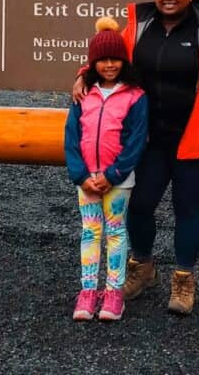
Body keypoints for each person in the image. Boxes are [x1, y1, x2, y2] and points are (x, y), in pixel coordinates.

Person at [72, 0, 199, 316]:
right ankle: (143, 266)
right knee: (139, 206)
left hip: (196, 141)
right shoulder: (141, 25)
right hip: (149, 139)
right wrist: (82, 75)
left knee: (187, 211)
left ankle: (183, 279)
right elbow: (108, 56)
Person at [64, 17, 148, 322]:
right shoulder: (83, 94)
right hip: (86, 179)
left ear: (123, 61)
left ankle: (114, 292)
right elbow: (71, 136)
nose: (109, 65)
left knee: (115, 231)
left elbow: (136, 141)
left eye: (115, 59)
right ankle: (88, 290)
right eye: (102, 60)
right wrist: (81, 175)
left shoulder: (135, 96)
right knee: (90, 232)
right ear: (92, 64)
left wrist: (112, 174)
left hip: (118, 180)